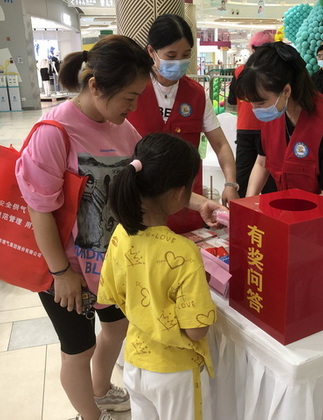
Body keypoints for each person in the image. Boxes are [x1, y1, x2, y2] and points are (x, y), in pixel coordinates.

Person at [15, 35, 225, 420]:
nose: (134, 107)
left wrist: (199, 203)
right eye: (130, 97)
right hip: (67, 269)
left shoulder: (122, 129)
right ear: (96, 86)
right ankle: (90, 416)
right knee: (78, 349)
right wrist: (60, 273)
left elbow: (152, 180)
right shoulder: (54, 131)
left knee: (115, 330)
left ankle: (101, 391)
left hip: (113, 262)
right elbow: (39, 210)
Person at [98, 132, 217, 420]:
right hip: (176, 372)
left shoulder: (121, 234)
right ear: (179, 193)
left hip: (135, 361)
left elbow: (112, 294)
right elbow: (197, 330)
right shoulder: (184, 252)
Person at [235, 42, 323, 250]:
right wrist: (249, 208)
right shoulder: (275, 115)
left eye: (260, 103)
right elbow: (262, 162)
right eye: (251, 103)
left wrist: (293, 233)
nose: (255, 109)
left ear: (286, 90)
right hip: (296, 218)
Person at [127, 14, 239, 234]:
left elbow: (220, 144)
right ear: (151, 52)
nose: (179, 62)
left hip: (186, 201)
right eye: (171, 55)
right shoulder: (134, 89)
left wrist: (230, 183)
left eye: (186, 55)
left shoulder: (196, 94)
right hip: (142, 202)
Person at [227, 30, 277, 198]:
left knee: (243, 173)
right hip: (269, 127)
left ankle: (240, 208)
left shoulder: (240, 71)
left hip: (246, 127)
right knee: (270, 175)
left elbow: (232, 99)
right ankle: (269, 208)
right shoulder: (274, 73)